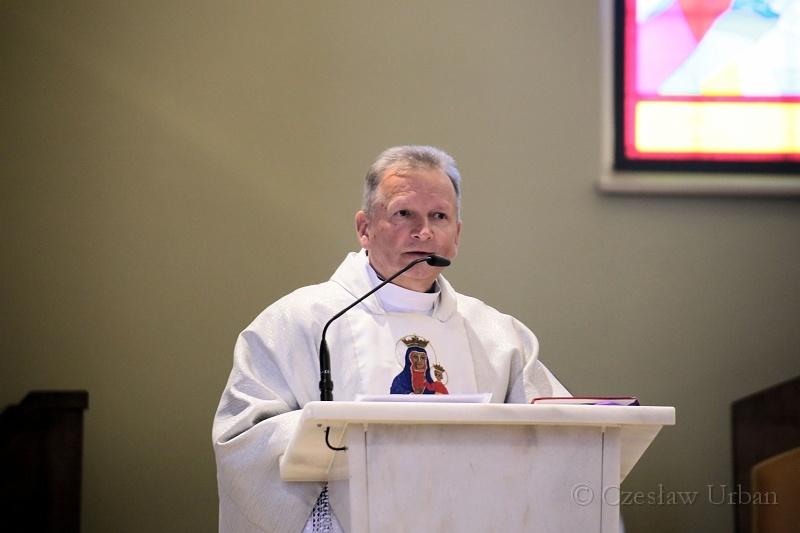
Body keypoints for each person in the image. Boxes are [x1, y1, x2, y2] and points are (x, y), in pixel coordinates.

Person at [212, 145, 570, 533]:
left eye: (439, 216)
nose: (424, 231)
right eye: (404, 214)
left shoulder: (497, 335)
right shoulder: (299, 321)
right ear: (364, 228)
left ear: (457, 235)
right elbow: (242, 441)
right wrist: (334, 432)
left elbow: (563, 437)